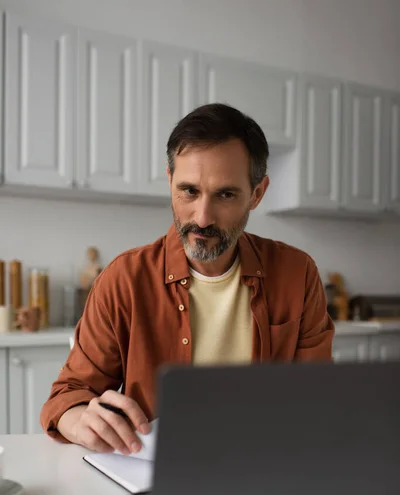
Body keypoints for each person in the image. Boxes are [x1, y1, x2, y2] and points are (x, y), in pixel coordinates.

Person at [40, 103, 334, 454]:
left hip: (265, 467)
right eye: (189, 191)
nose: (203, 217)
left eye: (225, 194)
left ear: (256, 194)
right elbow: (68, 396)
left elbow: (317, 399)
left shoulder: (297, 273)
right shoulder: (125, 279)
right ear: (169, 181)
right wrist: (80, 420)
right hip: (155, 479)